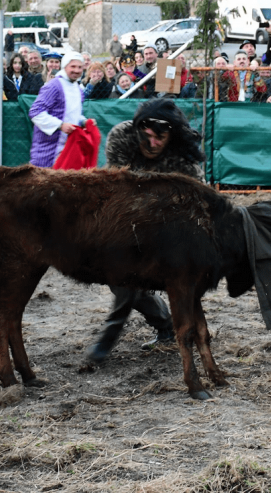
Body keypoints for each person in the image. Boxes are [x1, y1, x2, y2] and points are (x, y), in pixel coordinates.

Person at [87, 98, 208, 363]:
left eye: (159, 138)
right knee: (119, 275)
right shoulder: (122, 136)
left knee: (126, 278)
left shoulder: (183, 161)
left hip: (171, 228)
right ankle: (163, 323)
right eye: (147, 135)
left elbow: (199, 203)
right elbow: (119, 186)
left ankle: (110, 333)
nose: (152, 143)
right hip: (127, 218)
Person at [28, 53, 97, 168]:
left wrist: (84, 121)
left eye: (79, 67)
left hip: (69, 149)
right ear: (65, 67)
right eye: (73, 66)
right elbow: (35, 112)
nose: (76, 70)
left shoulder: (78, 89)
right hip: (47, 150)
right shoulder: (54, 86)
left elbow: (74, 115)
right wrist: (60, 125)